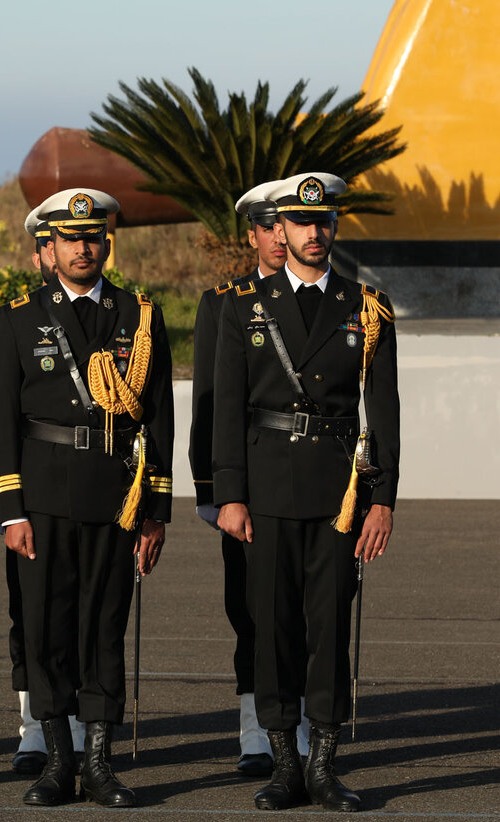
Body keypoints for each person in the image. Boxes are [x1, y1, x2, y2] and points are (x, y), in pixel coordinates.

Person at [213, 173, 399, 812]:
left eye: (324, 223)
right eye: (300, 223)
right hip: (265, 490)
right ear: (278, 230)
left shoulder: (367, 306)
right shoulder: (244, 306)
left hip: (338, 495)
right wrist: (229, 494)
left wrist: (384, 499)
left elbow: (385, 409)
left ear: (333, 228)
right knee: (273, 628)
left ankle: (323, 764)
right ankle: (283, 764)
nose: (314, 233)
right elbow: (228, 409)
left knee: (328, 626)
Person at [0, 188, 174, 807]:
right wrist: (10, 508)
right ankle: (56, 762)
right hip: (40, 497)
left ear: (105, 244)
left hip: (115, 495)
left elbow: (162, 418)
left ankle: (98, 763)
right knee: (45, 631)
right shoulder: (17, 317)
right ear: (50, 247)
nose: (83, 247)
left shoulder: (137, 314)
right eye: (71, 238)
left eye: (92, 237)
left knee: (103, 627)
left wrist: (155, 509)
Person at [190, 180, 309, 776]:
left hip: (311, 484)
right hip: (249, 486)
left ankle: (302, 724)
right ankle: (255, 730)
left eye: (284, 224)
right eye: (266, 227)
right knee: (251, 612)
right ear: (255, 234)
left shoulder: (328, 298)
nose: (277, 237)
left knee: (309, 611)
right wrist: (212, 490)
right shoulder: (224, 302)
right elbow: (211, 404)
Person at [0, 206, 84, 777]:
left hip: (85, 492)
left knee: (84, 615)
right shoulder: (12, 319)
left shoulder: (109, 316)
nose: (56, 254)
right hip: (27, 493)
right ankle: (35, 726)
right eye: (49, 245)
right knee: (31, 613)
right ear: (39, 253)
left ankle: (78, 725)